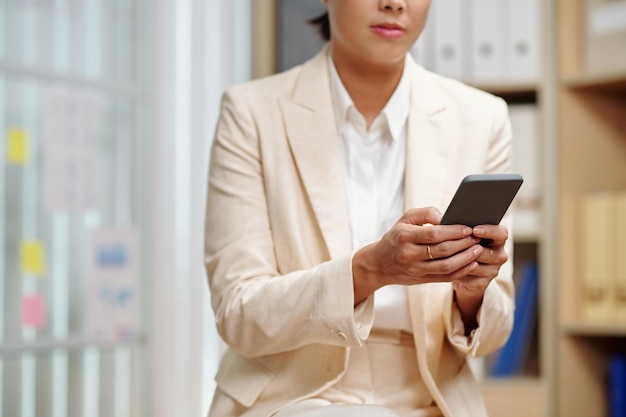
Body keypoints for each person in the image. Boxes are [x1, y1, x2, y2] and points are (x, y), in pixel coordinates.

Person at [204, 1, 516, 416]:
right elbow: (238, 313)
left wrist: (472, 294)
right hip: (291, 392)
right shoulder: (251, 114)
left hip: (430, 395)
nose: (394, 3)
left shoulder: (482, 118)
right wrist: (369, 270)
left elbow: (494, 334)